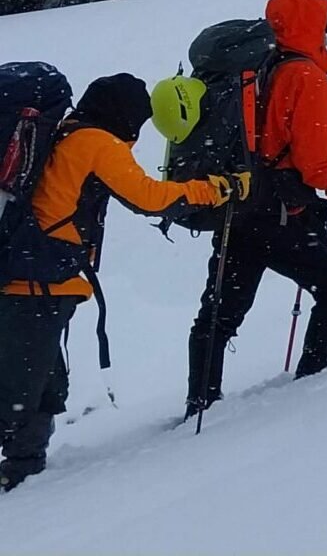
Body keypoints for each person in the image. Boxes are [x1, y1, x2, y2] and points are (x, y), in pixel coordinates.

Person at [1, 74, 234, 491]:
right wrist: (212, 190)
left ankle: (25, 470)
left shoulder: (67, 133)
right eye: (138, 122)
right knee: (21, 390)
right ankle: (20, 467)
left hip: (35, 276)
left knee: (41, 383)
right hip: (36, 283)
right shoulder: (97, 142)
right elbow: (148, 197)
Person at [186, 0, 327, 418]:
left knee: (218, 313)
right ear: (310, 24)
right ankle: (309, 392)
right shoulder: (305, 76)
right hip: (283, 213)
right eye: (324, 20)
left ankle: (199, 406)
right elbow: (314, 164)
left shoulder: (255, 68)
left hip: (237, 206)